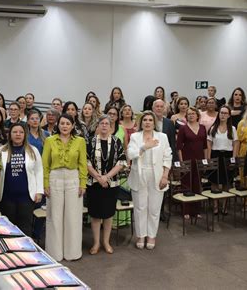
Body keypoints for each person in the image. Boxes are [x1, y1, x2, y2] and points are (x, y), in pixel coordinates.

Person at [42, 113, 87, 261]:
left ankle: (72, 252)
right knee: (55, 216)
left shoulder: (80, 141)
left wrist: (83, 183)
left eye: (68, 123)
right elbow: (45, 164)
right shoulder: (49, 140)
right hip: (55, 178)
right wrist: (45, 183)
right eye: (62, 123)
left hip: (73, 179)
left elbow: (83, 164)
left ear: (73, 125)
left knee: (73, 217)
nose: (65, 126)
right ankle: (55, 253)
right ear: (58, 125)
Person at [127, 111, 172, 250]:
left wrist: (165, 175)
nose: (147, 122)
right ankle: (141, 235)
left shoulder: (162, 137)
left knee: (154, 207)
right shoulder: (135, 136)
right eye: (145, 120)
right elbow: (130, 154)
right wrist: (145, 147)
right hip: (139, 174)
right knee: (140, 207)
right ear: (141, 122)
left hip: (157, 175)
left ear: (154, 123)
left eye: (150, 120)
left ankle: (151, 235)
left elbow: (167, 156)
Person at [86, 115, 127, 255]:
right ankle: (96, 243)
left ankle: (106, 242)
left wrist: (106, 177)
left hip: (112, 184)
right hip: (94, 183)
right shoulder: (90, 141)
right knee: (96, 215)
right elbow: (86, 162)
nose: (104, 126)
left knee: (108, 214)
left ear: (111, 126)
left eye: (107, 124)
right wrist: (98, 177)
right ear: (97, 126)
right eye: (101, 123)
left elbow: (121, 163)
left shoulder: (117, 142)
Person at [0, 123, 44, 236]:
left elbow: (39, 171)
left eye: (21, 132)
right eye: (15, 132)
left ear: (25, 135)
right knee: (8, 227)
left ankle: (26, 251)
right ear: (10, 135)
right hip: (7, 197)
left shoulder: (33, 151)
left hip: (26, 197)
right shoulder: (1, 151)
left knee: (25, 226)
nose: (18, 134)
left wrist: (39, 191)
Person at [207, 105, 239, 214]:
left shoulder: (233, 129)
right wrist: (209, 158)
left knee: (227, 182)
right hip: (215, 155)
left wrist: (234, 158)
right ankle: (215, 206)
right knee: (215, 182)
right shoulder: (213, 128)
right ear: (218, 114)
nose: (223, 115)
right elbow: (209, 144)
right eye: (221, 113)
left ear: (229, 115)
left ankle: (224, 206)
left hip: (228, 156)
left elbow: (235, 144)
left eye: (225, 113)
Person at [176, 107, 208, 219]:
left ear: (197, 115)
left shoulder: (203, 128)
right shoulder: (183, 129)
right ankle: (186, 211)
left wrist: (205, 160)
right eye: (189, 114)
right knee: (186, 184)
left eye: (193, 113)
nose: (191, 115)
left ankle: (196, 210)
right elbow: (179, 147)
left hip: (199, 160)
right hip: (187, 159)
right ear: (186, 116)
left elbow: (205, 146)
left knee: (197, 184)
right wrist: (182, 162)